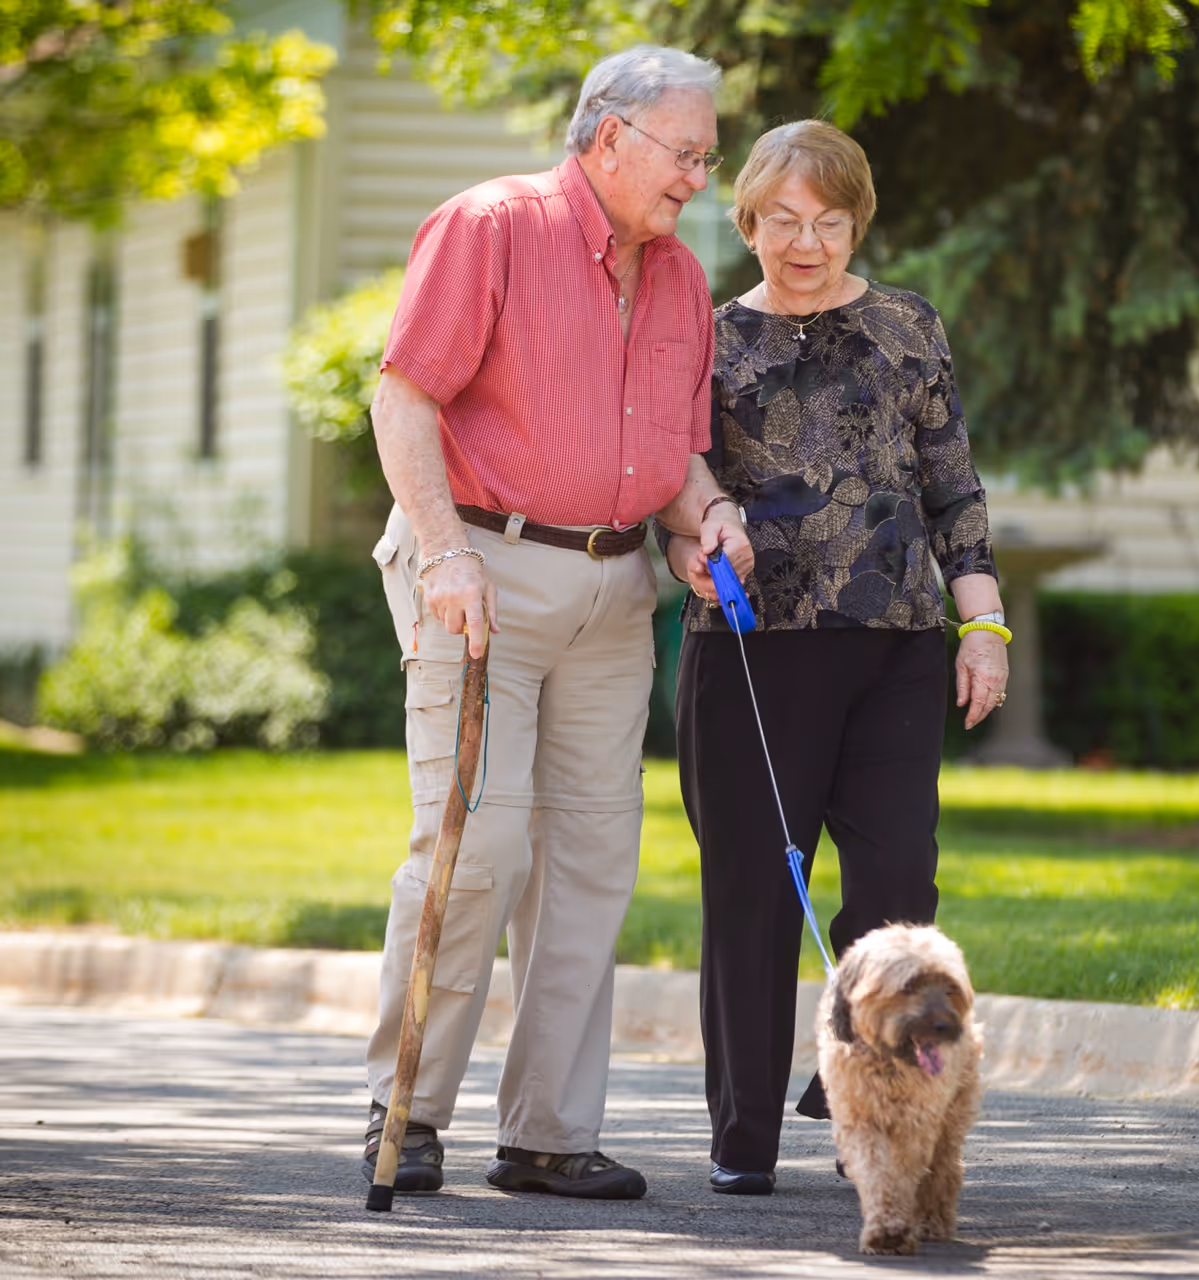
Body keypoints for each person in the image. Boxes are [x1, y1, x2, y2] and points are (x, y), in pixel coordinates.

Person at [360, 44, 752, 1201]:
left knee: (590, 863)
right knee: (475, 845)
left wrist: (709, 514)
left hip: (615, 592)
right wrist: (441, 550)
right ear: (609, 133)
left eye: (707, 159)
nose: (697, 179)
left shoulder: (679, 277)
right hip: (481, 568)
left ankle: (547, 1130)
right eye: (686, 154)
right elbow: (406, 395)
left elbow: (672, 455)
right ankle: (406, 1108)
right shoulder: (491, 225)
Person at [658, 119, 1011, 1197]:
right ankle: (742, 1134)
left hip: (899, 643)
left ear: (857, 221)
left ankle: (856, 1066)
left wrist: (982, 618)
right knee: (755, 893)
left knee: (900, 872)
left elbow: (952, 480)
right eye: (782, 221)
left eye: (829, 221)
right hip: (755, 649)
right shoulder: (706, 339)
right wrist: (687, 546)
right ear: (749, 221)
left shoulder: (908, 325)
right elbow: (665, 482)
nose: (806, 243)